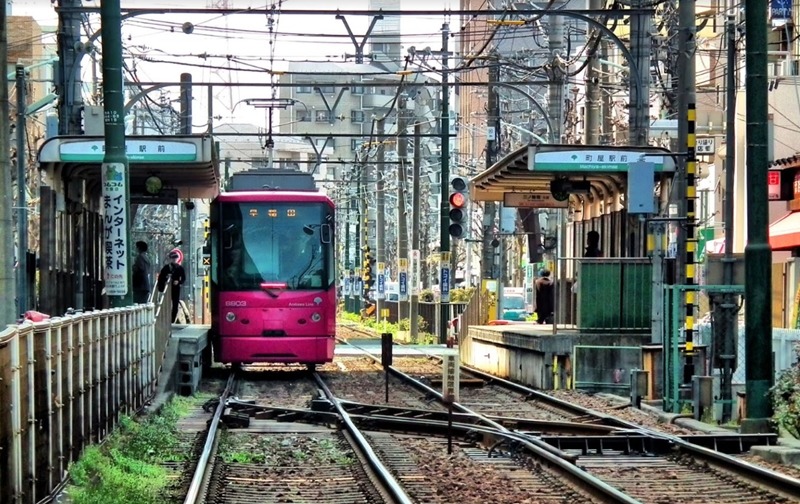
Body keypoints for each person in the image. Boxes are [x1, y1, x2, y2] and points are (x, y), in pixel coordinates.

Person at [157, 251, 186, 323]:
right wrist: (161, 288)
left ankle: (172, 321)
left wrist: (178, 282)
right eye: (173, 258)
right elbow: (160, 278)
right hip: (166, 289)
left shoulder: (180, 268)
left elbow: (183, 278)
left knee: (175, 305)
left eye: (175, 258)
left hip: (176, 289)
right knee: (166, 305)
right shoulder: (166, 268)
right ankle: (165, 319)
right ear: (170, 259)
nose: (174, 259)